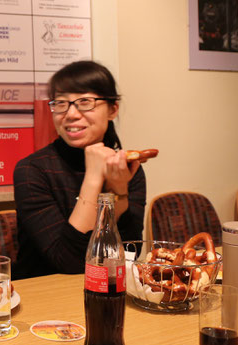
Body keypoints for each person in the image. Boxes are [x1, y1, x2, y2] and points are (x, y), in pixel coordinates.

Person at [13, 60, 146, 279]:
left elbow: (130, 253)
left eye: (85, 102)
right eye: (61, 103)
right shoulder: (31, 170)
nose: (71, 114)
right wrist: (93, 178)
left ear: (112, 109)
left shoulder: (127, 168)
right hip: (44, 297)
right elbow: (69, 261)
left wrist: (118, 190)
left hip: (105, 290)